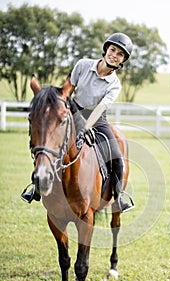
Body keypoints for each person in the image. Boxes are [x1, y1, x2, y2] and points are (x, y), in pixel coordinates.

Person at [21, 32, 134, 213]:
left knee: (116, 157)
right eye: (113, 50)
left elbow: (100, 108)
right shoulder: (82, 65)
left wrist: (85, 127)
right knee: (47, 143)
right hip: (73, 110)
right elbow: (67, 90)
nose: (115, 55)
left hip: (97, 119)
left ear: (122, 61)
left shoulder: (115, 84)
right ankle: (35, 187)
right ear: (106, 50)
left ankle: (118, 196)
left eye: (120, 54)